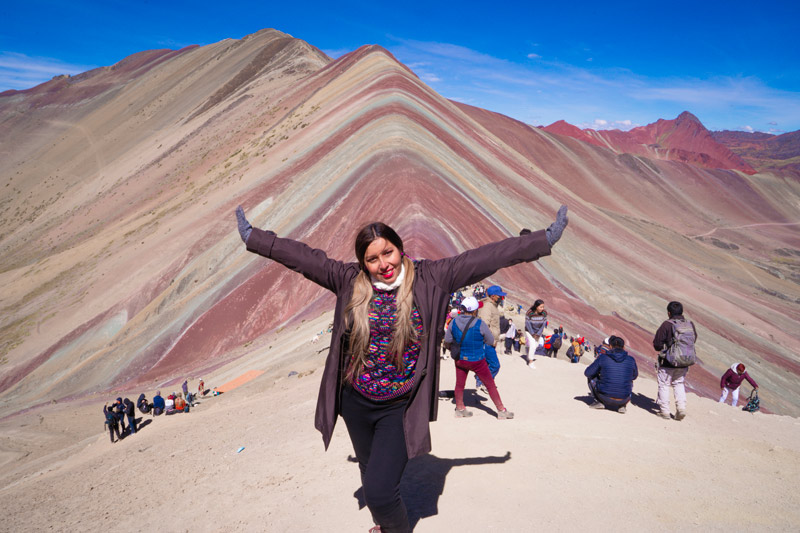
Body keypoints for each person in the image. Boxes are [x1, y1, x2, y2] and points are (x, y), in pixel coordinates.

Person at [235, 204, 568, 532]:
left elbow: (487, 257)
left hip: (399, 406)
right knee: (370, 471)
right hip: (355, 402)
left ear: (400, 248)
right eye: (373, 259)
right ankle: (385, 525)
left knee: (378, 492)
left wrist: (542, 241)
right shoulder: (349, 280)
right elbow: (304, 258)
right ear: (362, 263)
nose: (384, 265)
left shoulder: (432, 278)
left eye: (388, 253)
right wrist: (256, 239)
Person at [445, 297, 514, 420]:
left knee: (460, 384)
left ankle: (460, 409)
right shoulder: (479, 323)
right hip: (477, 360)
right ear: (474, 310)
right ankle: (501, 410)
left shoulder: (453, 322)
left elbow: (448, 340)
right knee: (490, 385)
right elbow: (490, 340)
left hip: (460, 359)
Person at [653, 301, 697, 421]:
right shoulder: (690, 324)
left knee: (664, 384)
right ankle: (681, 408)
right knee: (679, 383)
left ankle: (665, 411)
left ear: (669, 312)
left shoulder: (666, 325)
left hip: (668, 362)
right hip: (684, 361)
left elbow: (657, 344)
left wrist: (667, 348)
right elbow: (694, 340)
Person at [584, 336, 638, 413]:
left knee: (591, 376)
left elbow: (587, 373)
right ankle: (622, 406)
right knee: (629, 380)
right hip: (624, 399)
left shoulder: (603, 358)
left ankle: (599, 402)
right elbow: (634, 376)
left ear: (610, 346)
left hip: (604, 397)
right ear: (623, 347)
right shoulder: (631, 360)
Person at [476, 285, 506, 390]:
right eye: (499, 296)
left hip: (490, 340)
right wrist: (491, 339)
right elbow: (484, 324)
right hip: (487, 341)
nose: (501, 298)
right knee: (495, 365)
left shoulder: (492, 305)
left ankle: (480, 383)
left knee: (486, 363)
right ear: (493, 296)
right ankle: (485, 383)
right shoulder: (487, 306)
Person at [525, 299, 547, 368]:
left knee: (536, 345)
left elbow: (543, 324)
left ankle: (528, 353)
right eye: (541, 307)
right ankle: (530, 362)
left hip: (538, 332)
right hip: (529, 331)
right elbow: (527, 324)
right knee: (532, 345)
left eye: (543, 307)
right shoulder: (529, 313)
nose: (542, 309)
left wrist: (538, 334)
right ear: (536, 306)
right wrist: (532, 334)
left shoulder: (544, 313)